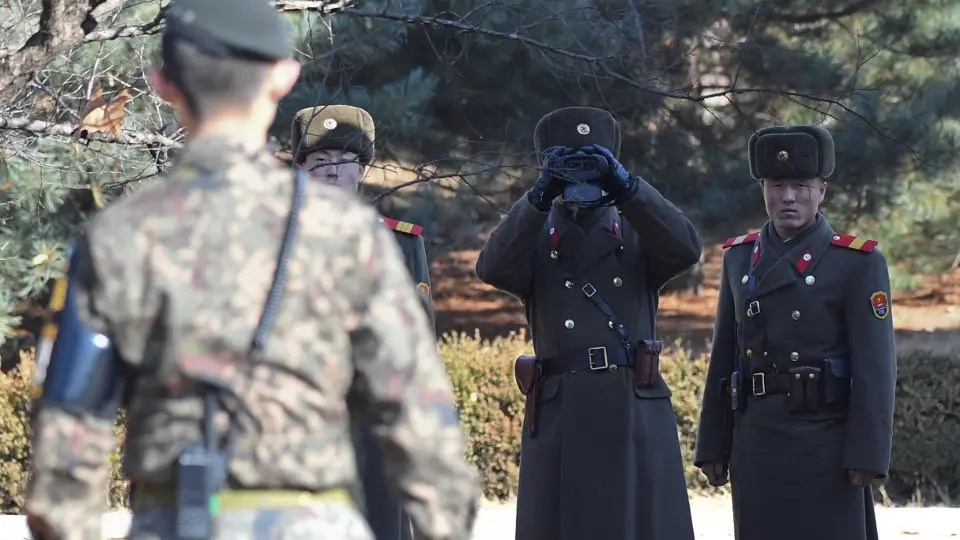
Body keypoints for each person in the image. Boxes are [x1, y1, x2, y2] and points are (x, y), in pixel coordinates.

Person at [22, 1, 480, 539]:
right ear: (284, 79)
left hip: (176, 521)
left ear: (163, 83)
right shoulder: (347, 233)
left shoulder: (119, 236)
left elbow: (68, 430)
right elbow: (420, 421)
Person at [475, 106, 702, 540]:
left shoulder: (637, 233)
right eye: (569, 168)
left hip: (630, 407)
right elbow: (493, 268)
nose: (582, 182)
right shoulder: (536, 238)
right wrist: (538, 197)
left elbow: (687, 248)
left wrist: (628, 187)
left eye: (591, 167)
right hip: (563, 412)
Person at [693, 124, 897, 540]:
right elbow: (724, 357)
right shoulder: (739, 258)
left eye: (801, 185)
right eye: (777, 184)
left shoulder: (857, 262)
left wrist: (868, 453)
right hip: (757, 443)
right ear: (763, 189)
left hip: (826, 443)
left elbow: (876, 368)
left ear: (822, 190)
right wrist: (713, 444)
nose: (788, 197)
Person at [290, 104, 434, 540]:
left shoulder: (401, 243)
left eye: (345, 160)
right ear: (301, 169)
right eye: (320, 161)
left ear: (362, 169)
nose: (333, 171)